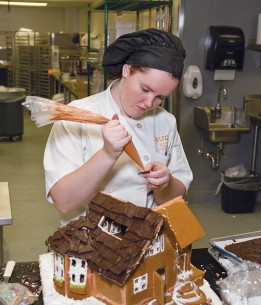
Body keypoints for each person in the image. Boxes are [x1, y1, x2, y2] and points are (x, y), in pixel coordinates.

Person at [44, 28, 193, 225]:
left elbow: (174, 198)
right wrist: (107, 154)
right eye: (145, 89)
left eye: (160, 97)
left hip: (145, 236)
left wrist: (164, 184)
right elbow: (63, 201)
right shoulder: (75, 117)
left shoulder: (165, 121)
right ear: (126, 70)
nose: (149, 103)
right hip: (88, 241)